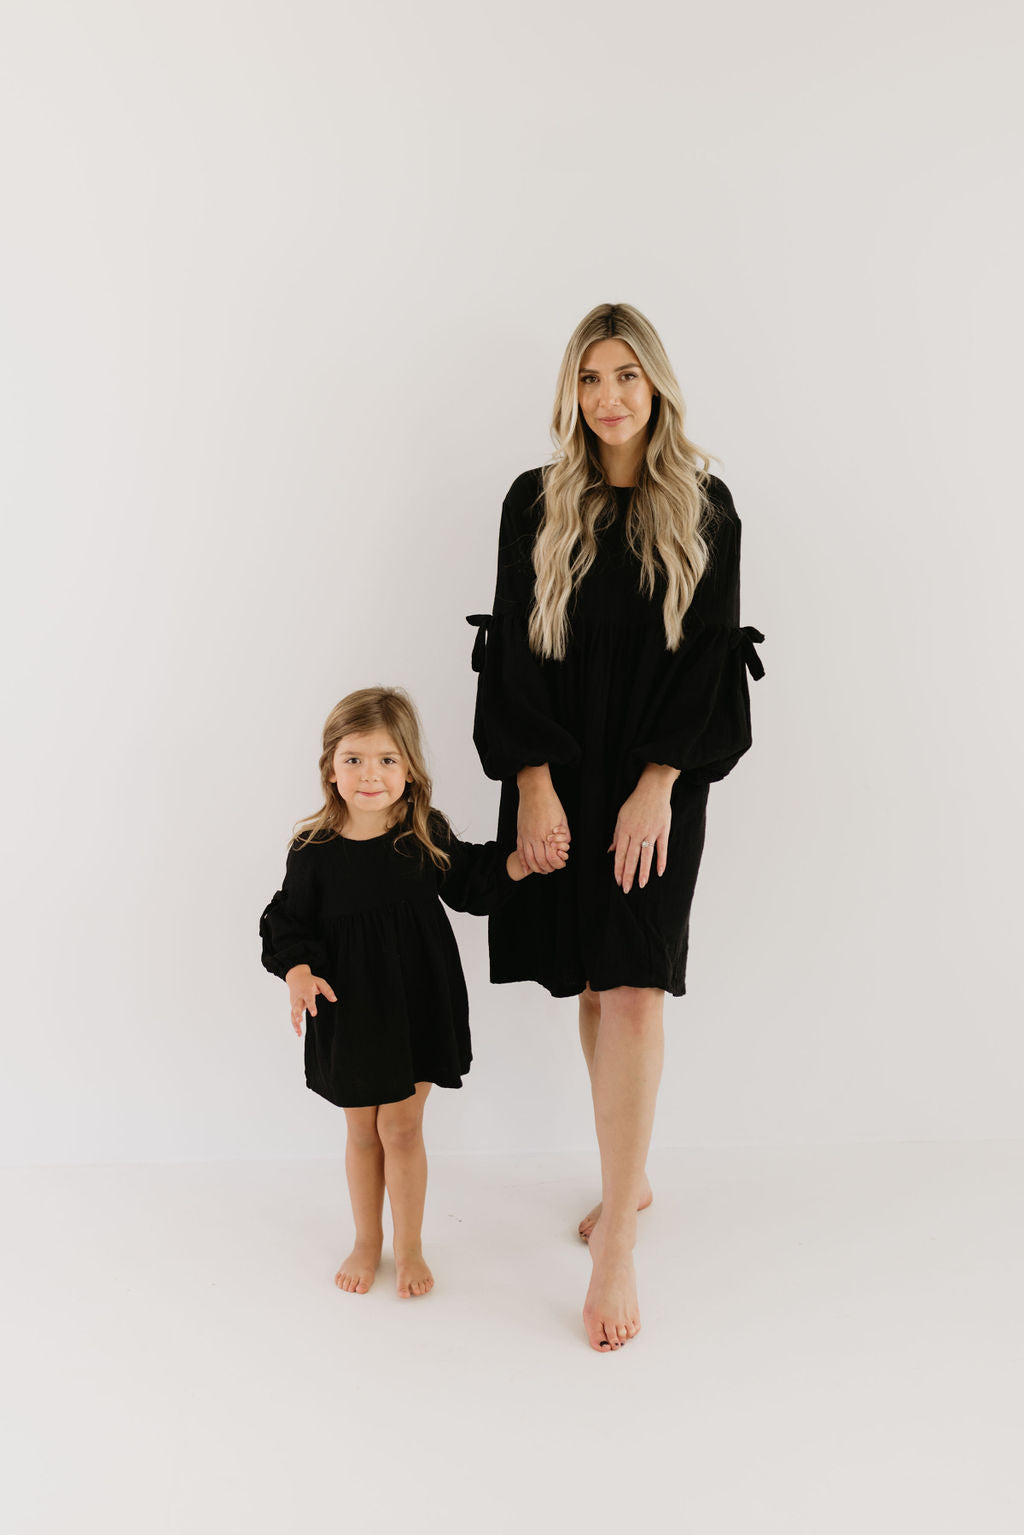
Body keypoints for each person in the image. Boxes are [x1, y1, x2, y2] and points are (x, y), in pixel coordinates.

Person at [467, 302, 764, 1351]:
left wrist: (660, 787)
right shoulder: (534, 502)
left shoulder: (707, 507)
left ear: (657, 386)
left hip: (654, 778)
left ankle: (618, 1245)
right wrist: (532, 784)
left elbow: (708, 660)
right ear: (571, 392)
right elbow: (511, 650)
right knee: (593, 979)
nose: (609, 396)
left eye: (626, 374)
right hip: (559, 769)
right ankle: (623, 1181)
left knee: (636, 982)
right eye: (590, 377)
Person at [259, 686, 568, 1300]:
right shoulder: (312, 850)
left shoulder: (423, 832)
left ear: (409, 768)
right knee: (361, 1130)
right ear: (330, 767)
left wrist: (524, 864)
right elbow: (284, 921)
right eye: (353, 759)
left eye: (386, 760)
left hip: (415, 1001)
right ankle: (366, 1240)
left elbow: (475, 882)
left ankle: (410, 1245)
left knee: (401, 1126)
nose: (369, 774)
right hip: (345, 1007)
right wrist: (297, 971)